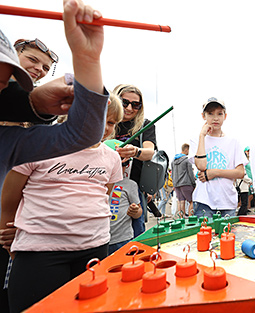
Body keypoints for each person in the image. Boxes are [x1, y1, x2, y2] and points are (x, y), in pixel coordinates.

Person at [0, 1, 109, 311]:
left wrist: (87, 57)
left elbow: (82, 133)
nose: (39, 70)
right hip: (35, 250)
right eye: (32, 61)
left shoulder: (10, 140)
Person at [1, 92, 123, 312]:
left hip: (94, 247)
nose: (105, 126)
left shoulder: (112, 157)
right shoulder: (39, 143)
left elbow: (104, 195)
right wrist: (7, 237)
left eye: (112, 122)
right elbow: (9, 198)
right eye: (98, 116)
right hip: (40, 251)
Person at [190, 97, 247, 217]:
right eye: (210, 114)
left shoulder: (233, 142)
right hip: (203, 202)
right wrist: (202, 136)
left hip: (227, 202)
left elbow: (240, 172)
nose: (215, 118)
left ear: (225, 116)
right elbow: (201, 165)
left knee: (227, 236)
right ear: (203, 116)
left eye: (219, 114)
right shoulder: (196, 140)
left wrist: (215, 172)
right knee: (205, 235)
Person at [114, 84, 157, 238]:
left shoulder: (145, 125)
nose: (129, 108)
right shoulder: (105, 123)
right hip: (105, 189)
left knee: (135, 238)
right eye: (124, 102)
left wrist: (135, 151)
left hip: (133, 190)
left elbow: (150, 152)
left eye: (135, 104)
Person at [108, 158, 142, 255]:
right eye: (116, 163)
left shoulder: (129, 184)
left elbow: (139, 212)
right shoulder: (96, 184)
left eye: (125, 163)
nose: (120, 167)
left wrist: (135, 211)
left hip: (122, 239)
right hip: (100, 242)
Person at [171, 143, 196, 217]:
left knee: (180, 201)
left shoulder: (173, 161)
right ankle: (191, 219)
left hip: (176, 184)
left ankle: (181, 218)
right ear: (186, 150)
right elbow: (190, 174)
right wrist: (193, 184)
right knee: (191, 201)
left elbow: (172, 174)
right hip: (186, 183)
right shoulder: (187, 160)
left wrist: (174, 184)